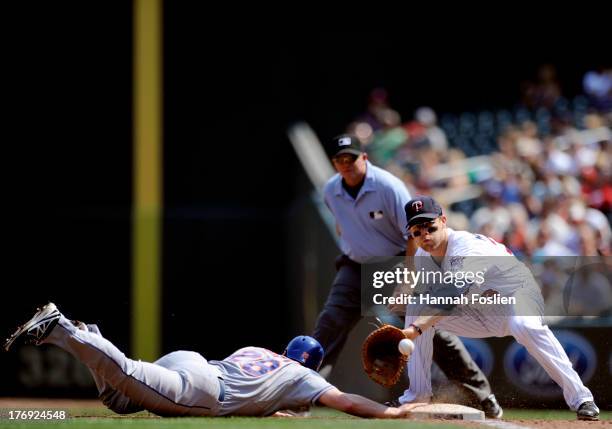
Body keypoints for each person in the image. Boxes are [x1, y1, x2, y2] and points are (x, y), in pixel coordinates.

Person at [313, 134, 502, 417]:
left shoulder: (388, 186)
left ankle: (482, 395)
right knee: (329, 325)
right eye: (340, 160)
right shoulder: (331, 190)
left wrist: (406, 279)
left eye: (351, 158)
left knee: (430, 330)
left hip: (396, 263)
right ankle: (302, 392)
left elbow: (414, 234)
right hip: (354, 267)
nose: (346, 164)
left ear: (363, 158)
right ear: (334, 163)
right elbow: (342, 223)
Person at [4, 303, 427, 419]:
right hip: (204, 390)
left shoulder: (262, 353)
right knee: (127, 372)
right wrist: (391, 413)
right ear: (310, 364)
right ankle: (61, 328)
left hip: (191, 362)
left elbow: (267, 396)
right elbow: (348, 403)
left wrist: (277, 407)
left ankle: (92, 336)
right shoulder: (303, 378)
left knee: (118, 399)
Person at [397, 196, 600, 421]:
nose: (425, 235)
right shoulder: (423, 256)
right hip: (480, 309)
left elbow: (449, 298)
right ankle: (417, 396)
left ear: (443, 221)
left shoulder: (465, 246)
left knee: (524, 326)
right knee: (416, 307)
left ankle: (582, 398)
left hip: (516, 296)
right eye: (417, 231)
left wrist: (413, 330)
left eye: (430, 226)